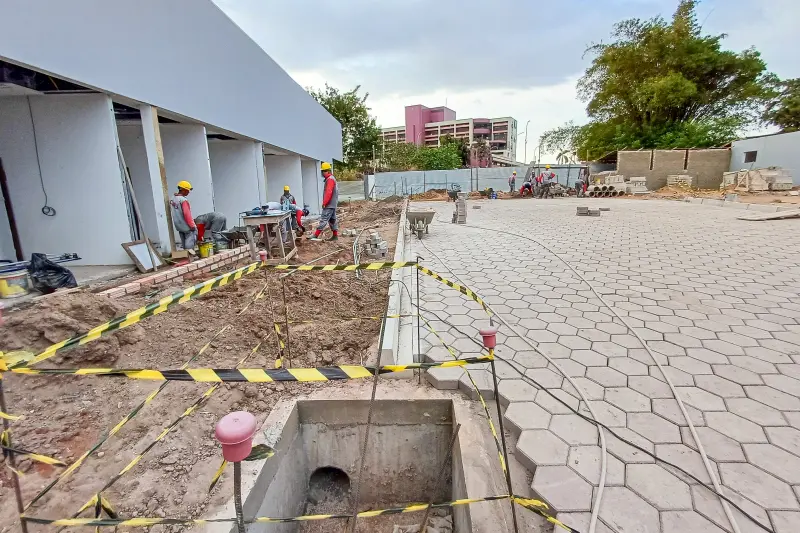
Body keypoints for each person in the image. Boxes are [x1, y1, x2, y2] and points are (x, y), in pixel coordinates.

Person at [308, 162, 339, 242]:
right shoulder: (332, 178)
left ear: (327, 171)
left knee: (324, 219)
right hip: (333, 204)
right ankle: (335, 236)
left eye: (323, 171)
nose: (322, 173)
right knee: (332, 220)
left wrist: (324, 203)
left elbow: (328, 192)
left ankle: (316, 235)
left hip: (329, 204)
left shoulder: (330, 179)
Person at [169, 180, 197, 250]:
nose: (188, 192)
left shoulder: (173, 198)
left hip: (178, 225)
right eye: (187, 190)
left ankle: (185, 254)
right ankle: (189, 254)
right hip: (186, 226)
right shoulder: (183, 200)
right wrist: (192, 226)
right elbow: (187, 214)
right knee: (190, 241)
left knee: (184, 242)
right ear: (183, 190)